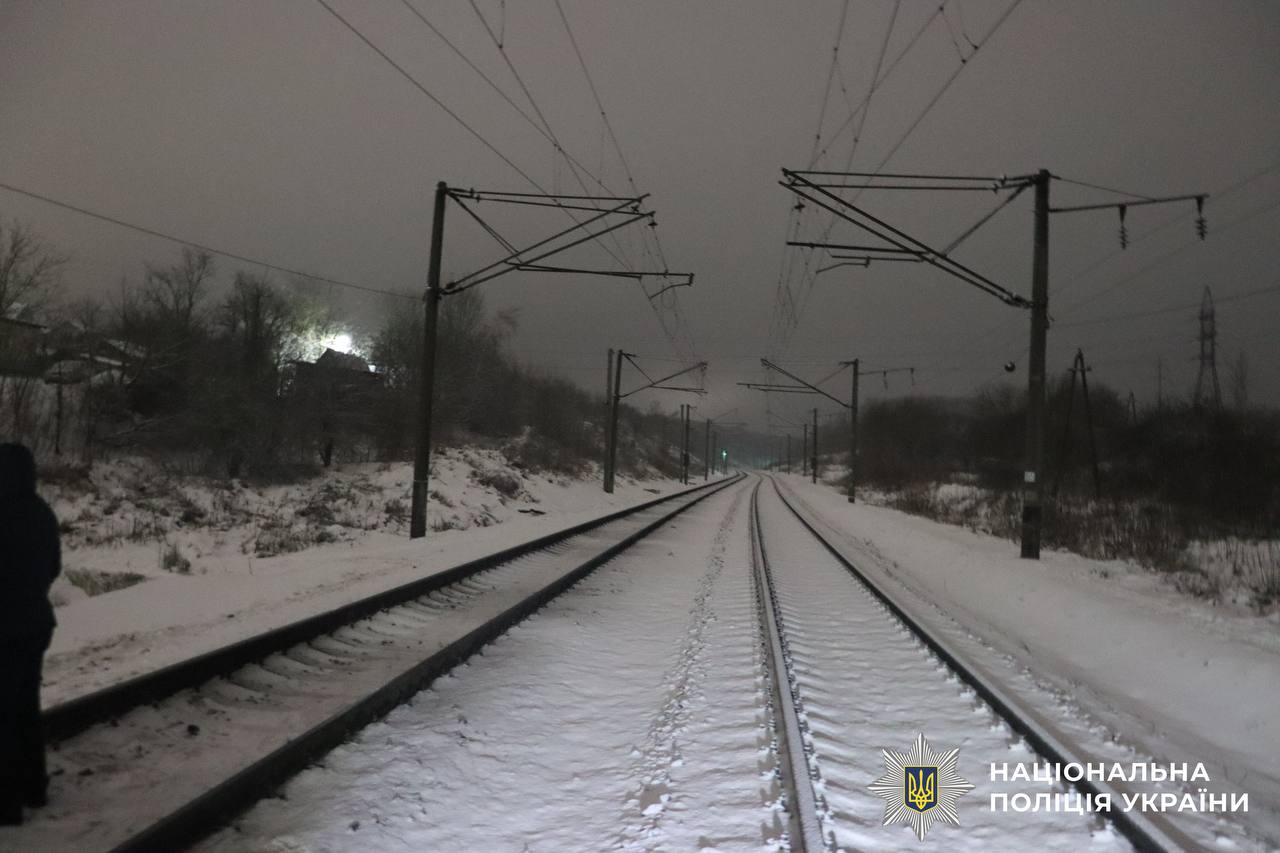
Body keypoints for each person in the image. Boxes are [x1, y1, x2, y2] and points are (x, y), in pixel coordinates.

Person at [0, 443, 61, 826]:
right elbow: (52, 567)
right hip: (36, 623)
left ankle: (6, 805)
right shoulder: (42, 513)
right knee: (24, 707)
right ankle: (34, 788)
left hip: (4, 628)